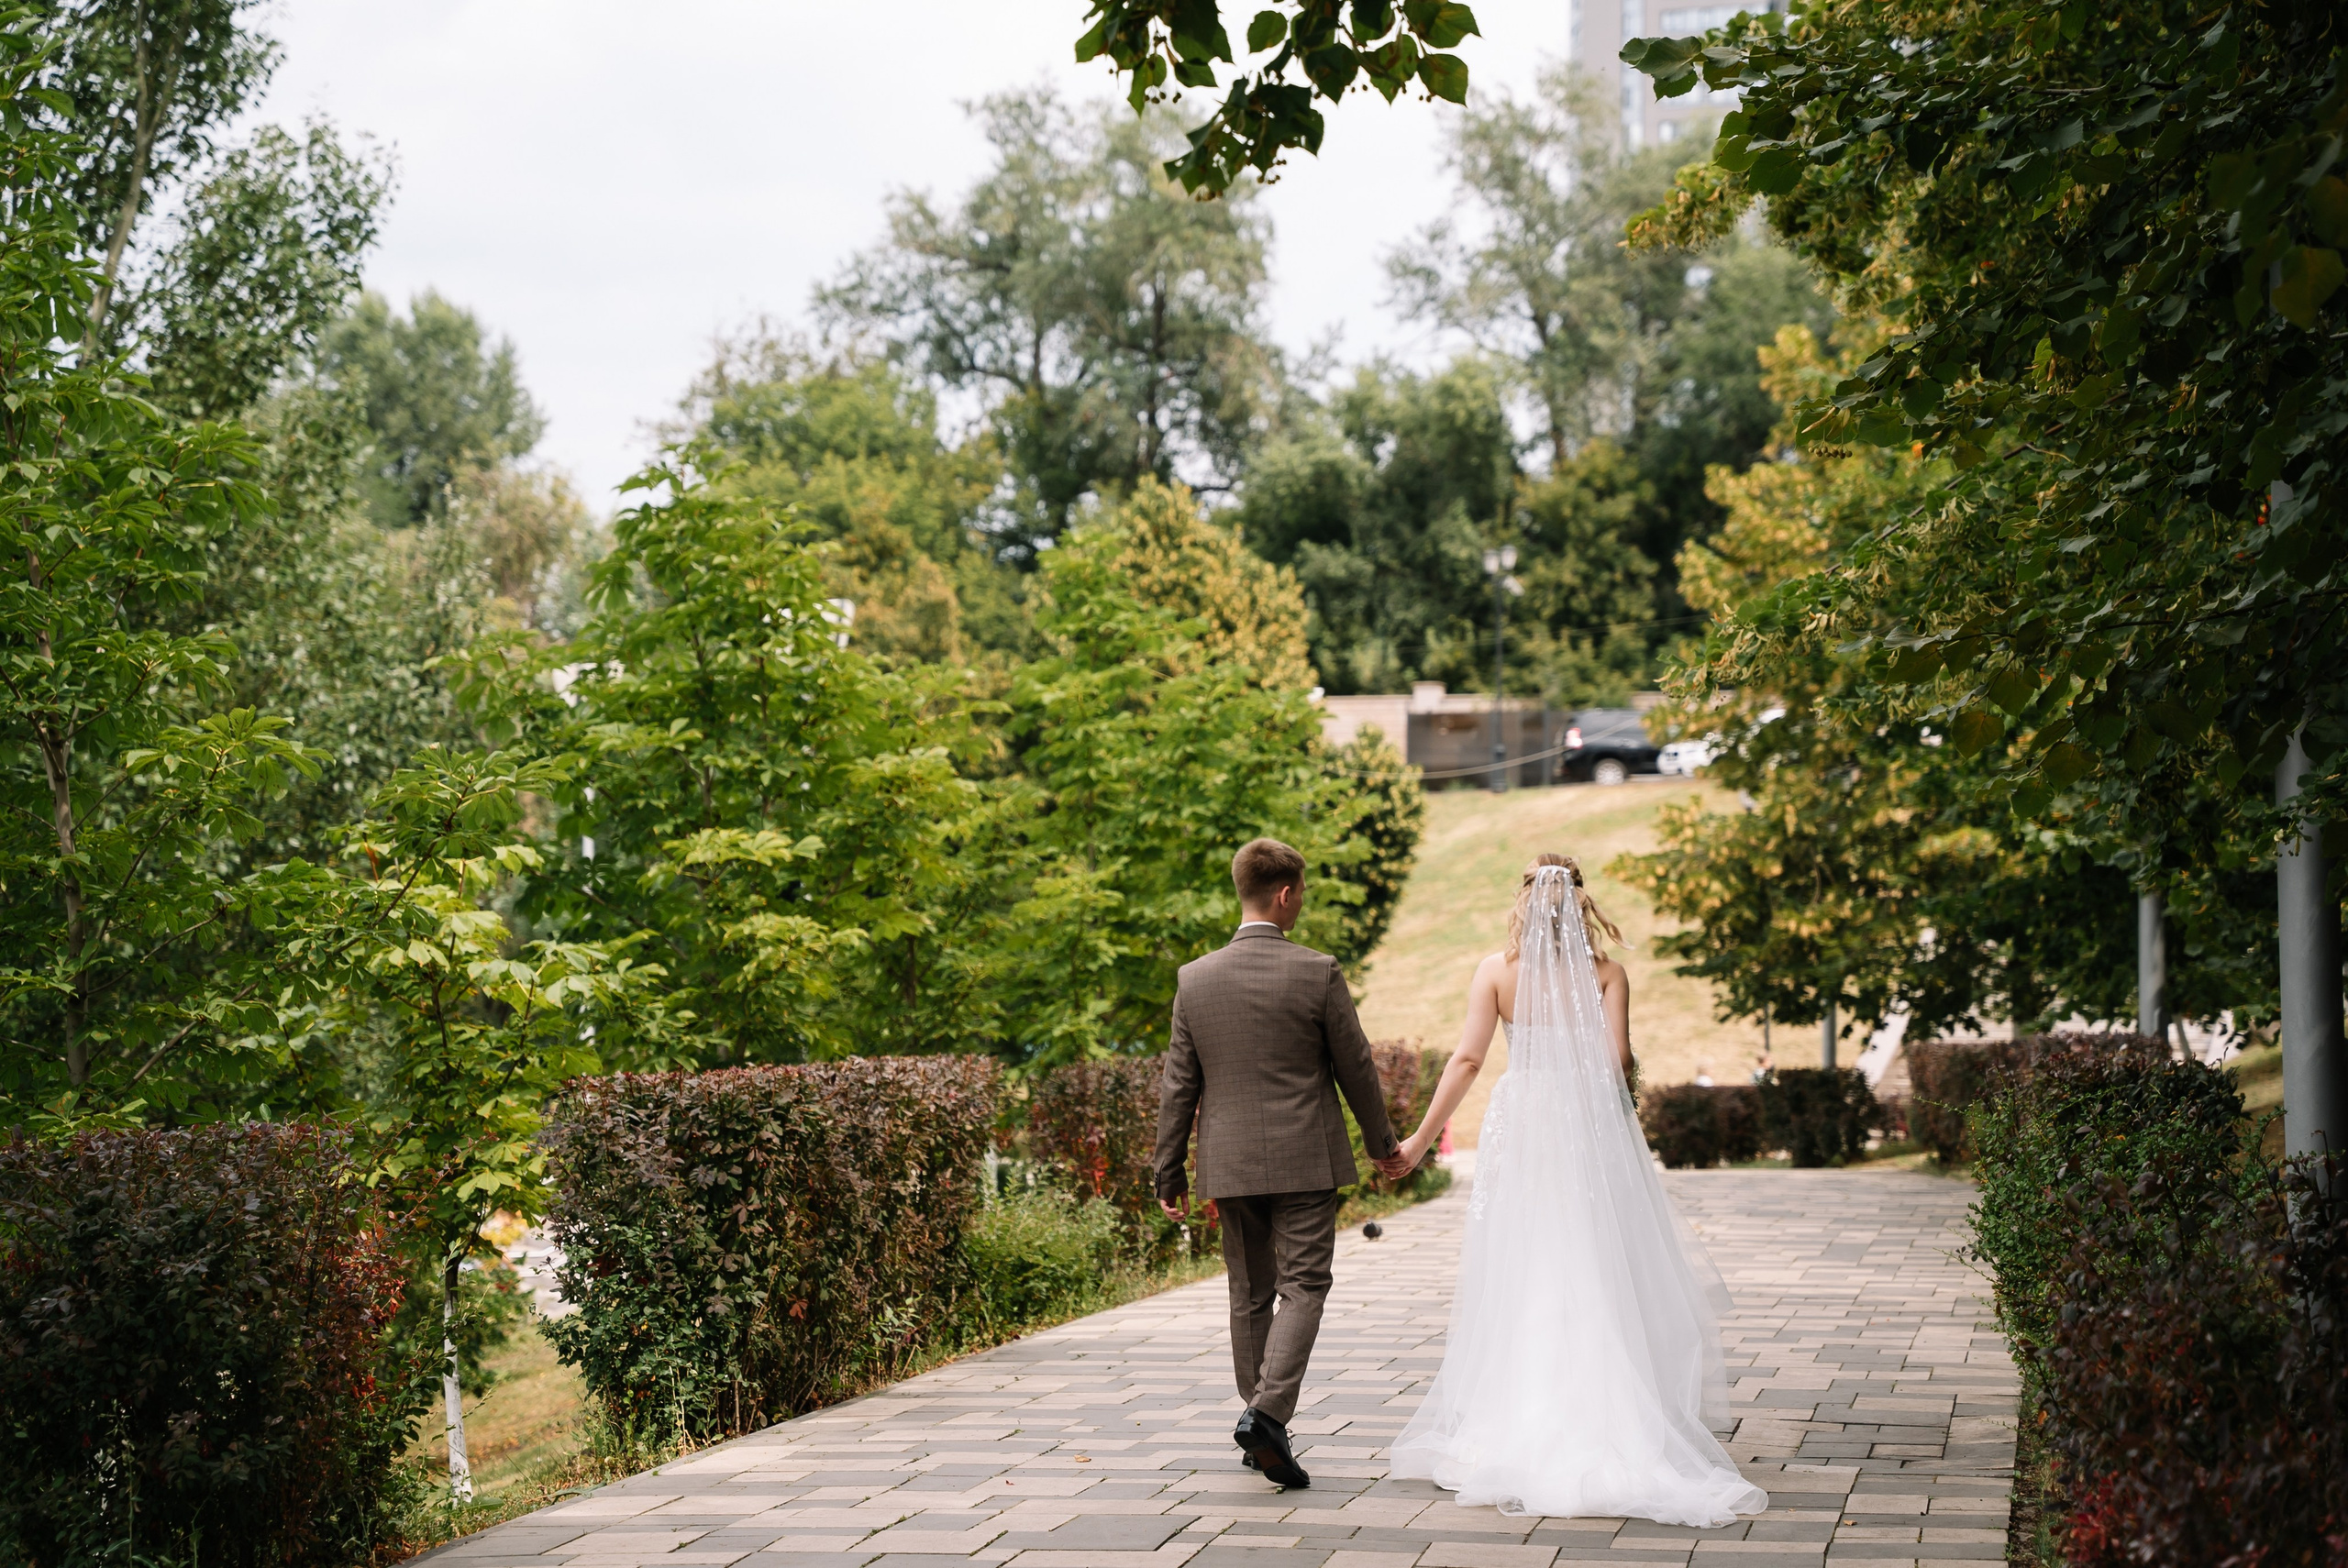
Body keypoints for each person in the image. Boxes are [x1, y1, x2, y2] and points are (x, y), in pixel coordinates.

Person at [1386, 854, 1768, 1526]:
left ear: (1525, 902)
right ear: (1579, 904)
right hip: (1584, 1124)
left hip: (1526, 1122)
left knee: (1528, 1261)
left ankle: (1521, 1418)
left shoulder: (1496, 972)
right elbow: (1617, 1061)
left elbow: (1469, 1059)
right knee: (1593, 1258)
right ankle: (1610, 1417)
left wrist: (1419, 1141)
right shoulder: (1607, 974)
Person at [1153, 837, 1410, 1490]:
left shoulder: (1194, 978)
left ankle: (1258, 1427)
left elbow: (1179, 1083)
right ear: (1286, 893)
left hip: (1229, 1161)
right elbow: (1356, 1065)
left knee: (1249, 1292)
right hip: (1305, 1158)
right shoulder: (1317, 971)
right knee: (1305, 1285)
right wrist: (1382, 1143)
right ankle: (1266, 1416)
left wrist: (1168, 1170)